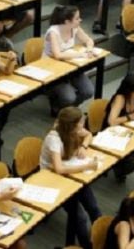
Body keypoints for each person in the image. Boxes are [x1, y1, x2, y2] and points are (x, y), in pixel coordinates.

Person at [40, 106, 101, 249]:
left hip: (71, 172)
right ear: (71, 125)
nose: (82, 126)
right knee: (80, 217)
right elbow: (59, 169)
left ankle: (102, 239)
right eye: (80, 123)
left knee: (94, 208)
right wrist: (86, 167)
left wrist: (84, 146)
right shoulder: (53, 138)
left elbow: (88, 135)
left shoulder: (74, 129)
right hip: (53, 178)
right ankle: (87, 246)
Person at [44, 5, 95, 116]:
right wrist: (81, 54)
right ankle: (57, 106)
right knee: (69, 97)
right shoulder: (53, 32)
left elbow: (88, 40)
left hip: (71, 65)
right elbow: (57, 55)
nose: (80, 20)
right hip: (54, 69)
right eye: (77, 18)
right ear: (67, 21)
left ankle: (68, 111)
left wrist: (89, 50)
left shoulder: (74, 28)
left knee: (88, 91)